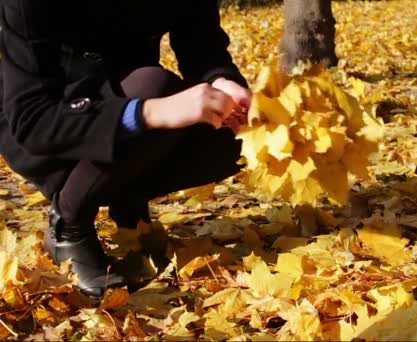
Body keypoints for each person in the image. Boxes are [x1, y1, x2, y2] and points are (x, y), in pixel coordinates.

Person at [0, 0, 252, 297]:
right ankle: (69, 224)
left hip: (128, 91)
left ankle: (127, 203)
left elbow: (201, 42)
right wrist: (151, 112)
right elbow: (33, 120)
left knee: (229, 137)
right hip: (50, 123)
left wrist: (222, 82)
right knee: (156, 87)